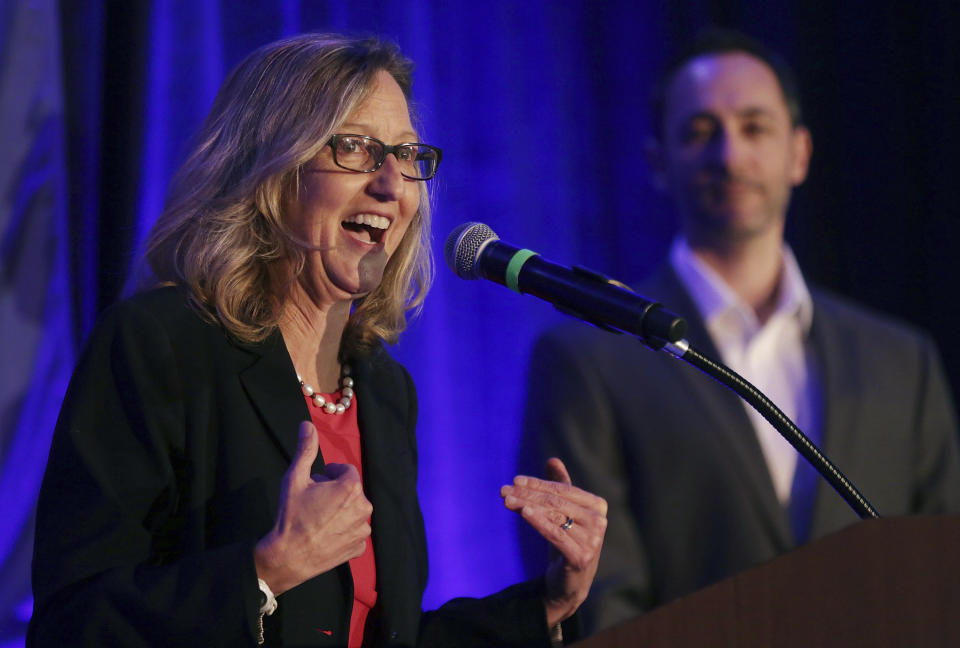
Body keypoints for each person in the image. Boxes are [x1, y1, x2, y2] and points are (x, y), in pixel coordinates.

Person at [28, 33, 608, 647]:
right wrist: (264, 573)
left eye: (407, 155)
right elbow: (75, 623)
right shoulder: (159, 346)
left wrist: (547, 603)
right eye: (356, 149)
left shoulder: (383, 389)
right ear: (271, 171)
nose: (391, 184)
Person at [520, 29, 960, 634]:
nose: (729, 155)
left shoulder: (901, 361)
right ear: (657, 162)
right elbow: (599, 603)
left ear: (799, 153)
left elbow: (941, 570)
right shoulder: (588, 357)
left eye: (755, 127)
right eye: (701, 132)